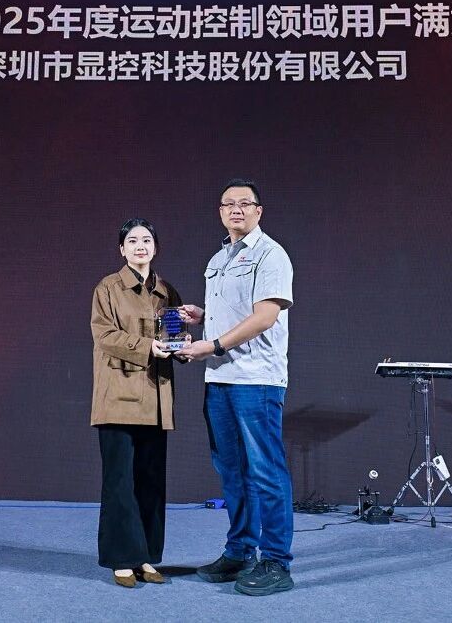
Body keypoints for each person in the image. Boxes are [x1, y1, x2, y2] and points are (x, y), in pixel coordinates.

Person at [176, 178, 295, 596]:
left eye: (245, 203)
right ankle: (241, 551)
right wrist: (203, 315)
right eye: (229, 204)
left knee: (265, 470)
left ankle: (276, 560)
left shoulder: (271, 254)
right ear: (221, 212)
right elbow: (236, 310)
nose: (236, 210)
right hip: (220, 379)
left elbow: (265, 316)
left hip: (255, 379)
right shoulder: (218, 259)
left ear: (258, 211)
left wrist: (212, 345)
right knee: (231, 471)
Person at [90, 218, 181, 588]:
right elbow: (104, 335)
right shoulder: (108, 288)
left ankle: (144, 556)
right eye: (132, 240)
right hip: (119, 397)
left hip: (156, 400)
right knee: (120, 483)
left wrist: (182, 347)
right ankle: (121, 558)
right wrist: (147, 346)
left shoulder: (167, 291)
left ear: (155, 247)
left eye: (146, 240)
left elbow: (174, 335)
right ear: (121, 249)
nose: (140, 246)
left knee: (150, 481)